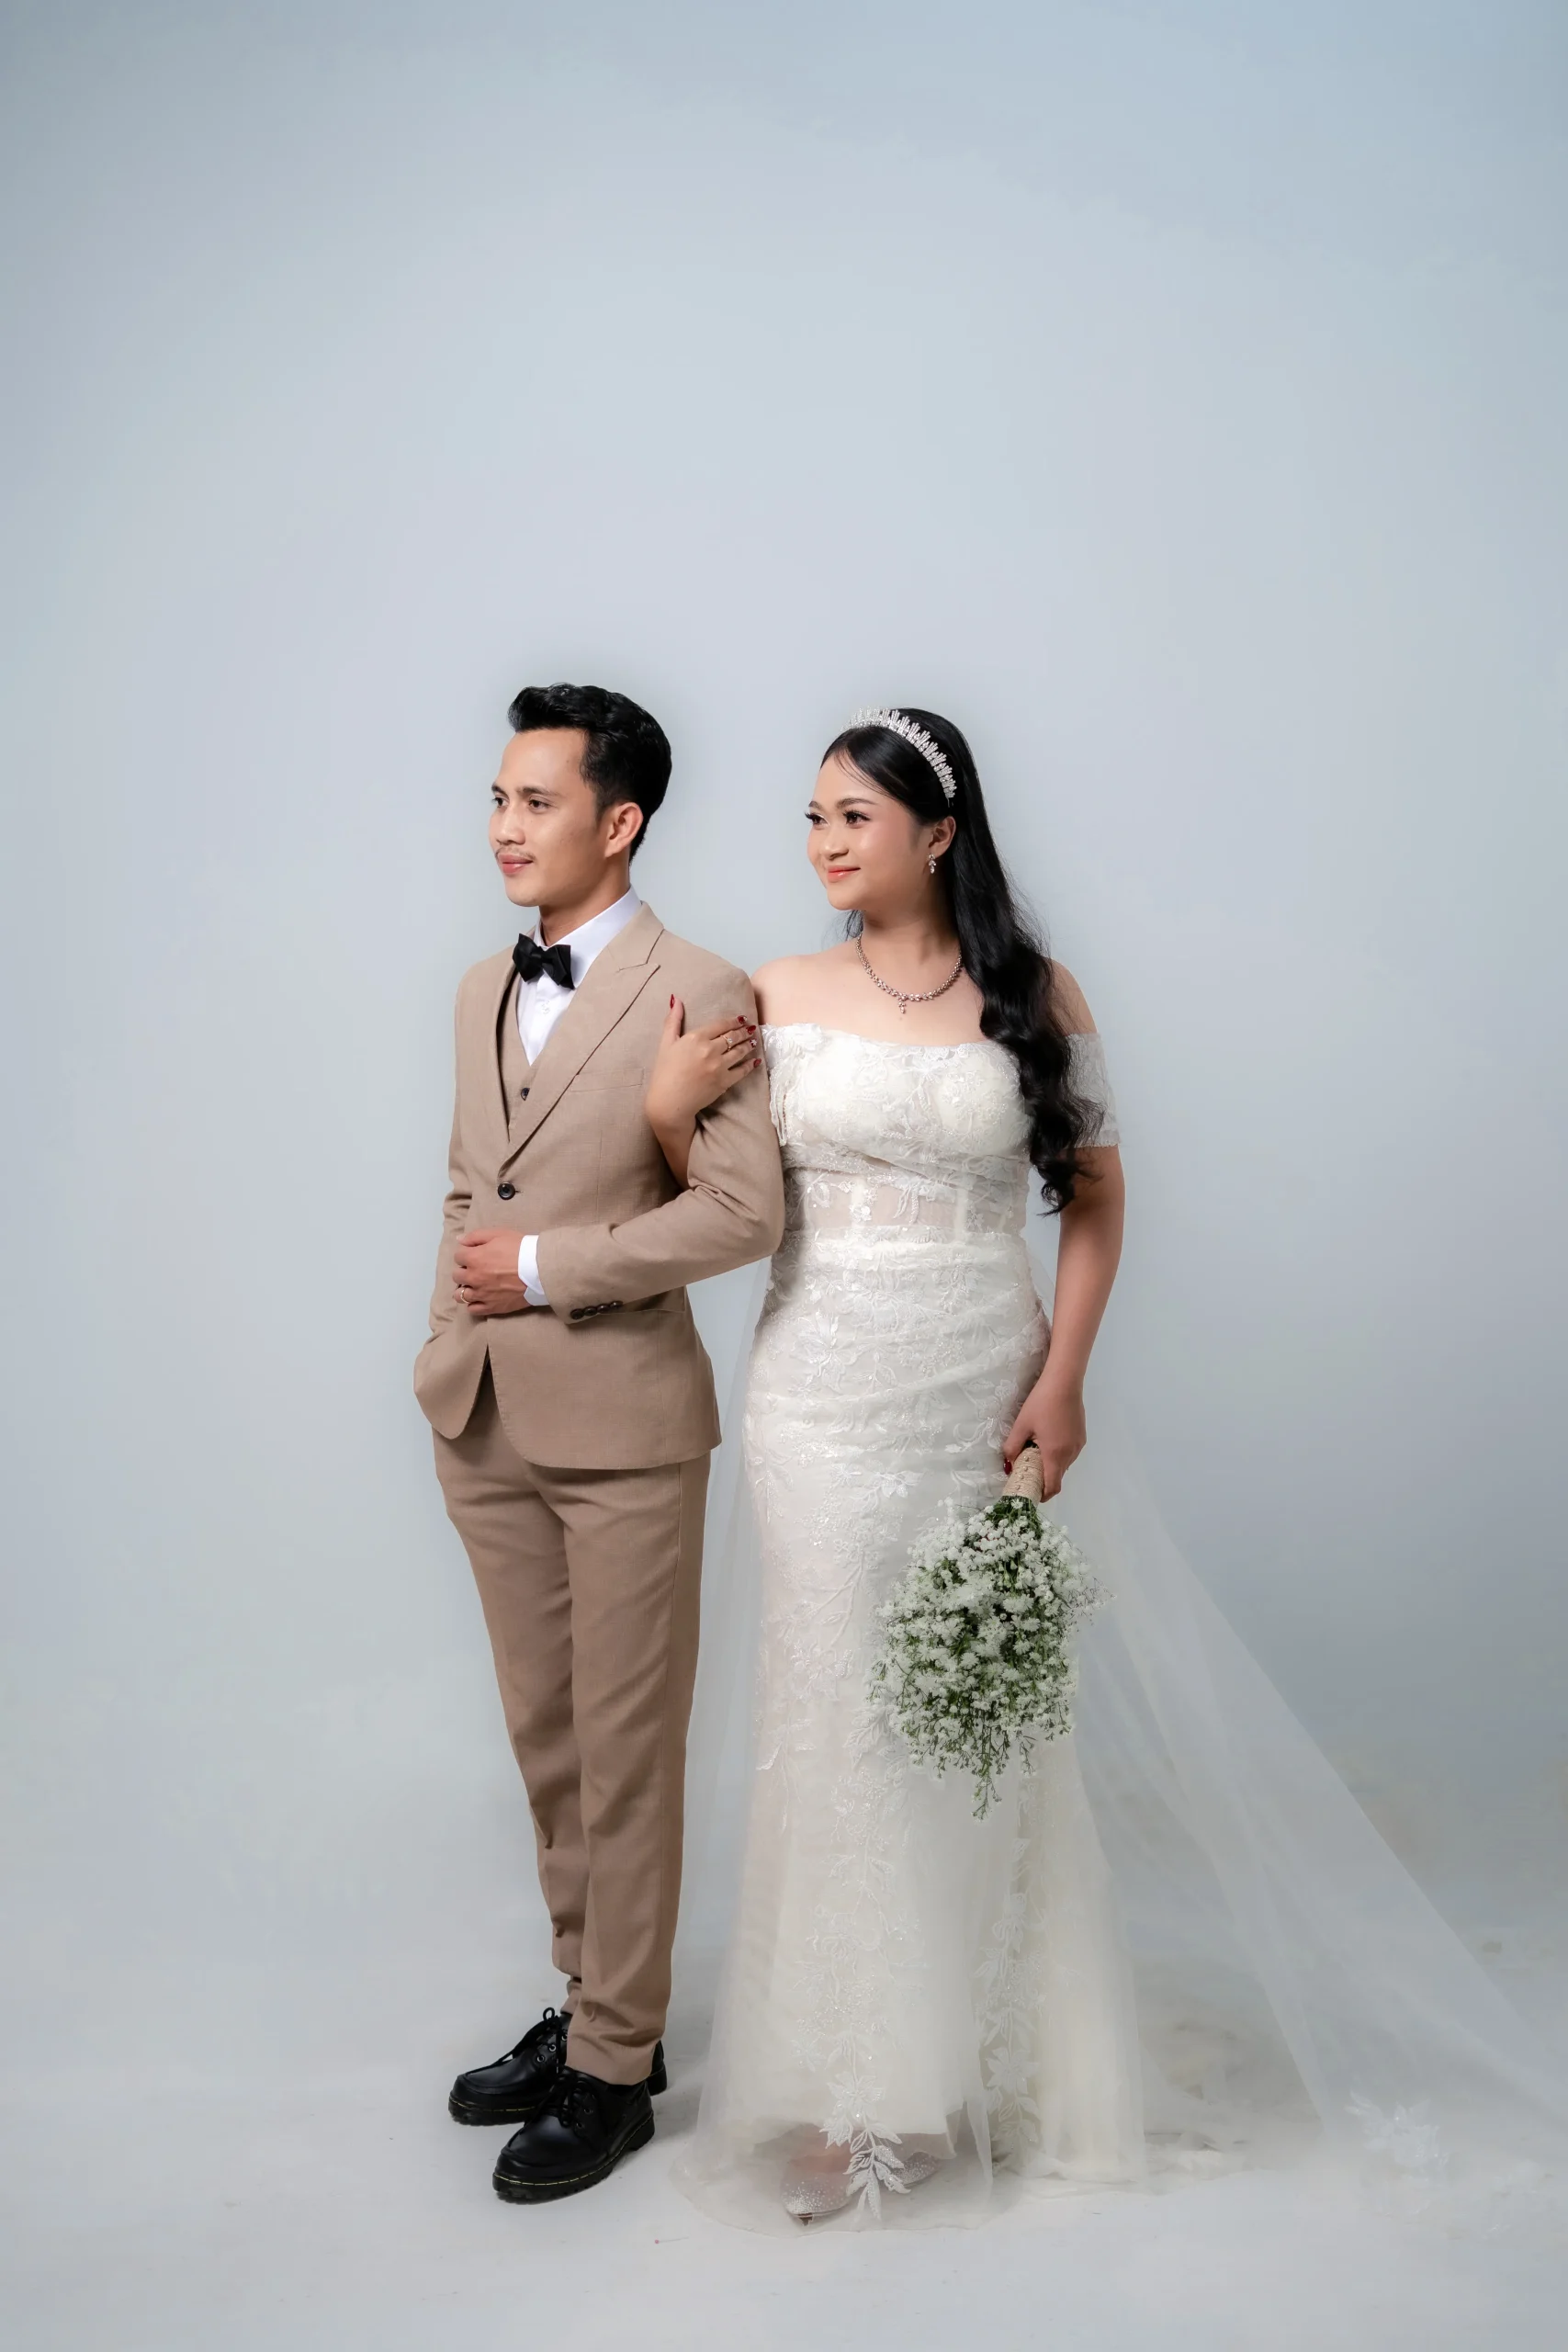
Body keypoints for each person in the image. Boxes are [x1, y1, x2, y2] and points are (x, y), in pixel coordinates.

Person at [649, 707, 1568, 2235]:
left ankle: (975, 2054)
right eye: (810, 817)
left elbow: (1091, 1198)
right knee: (839, 1722)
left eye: (852, 817)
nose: (820, 844)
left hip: (977, 1377)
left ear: (938, 833)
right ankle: (853, 2085)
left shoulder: (1035, 993)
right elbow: (727, 1205)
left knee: (975, 1717)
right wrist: (665, 1109)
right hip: (819, 1391)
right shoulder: (774, 991)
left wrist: (1061, 1381)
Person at [414, 682, 784, 2205]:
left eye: (536, 802)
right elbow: (469, 1183)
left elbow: (744, 1212)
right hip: (485, 1414)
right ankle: (584, 2007)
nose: (504, 827)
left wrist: (546, 1268)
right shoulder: (477, 987)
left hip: (626, 1428)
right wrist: (447, 1339)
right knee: (550, 1742)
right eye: (497, 799)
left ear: (618, 822)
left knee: (628, 1754)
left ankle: (619, 2068)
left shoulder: (702, 988)